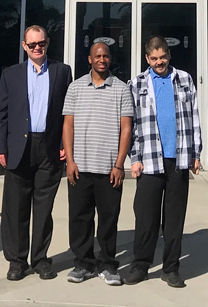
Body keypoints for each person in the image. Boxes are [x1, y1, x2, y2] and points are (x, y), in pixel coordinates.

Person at [0, 24, 72, 282]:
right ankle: (16, 261)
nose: (37, 48)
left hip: (48, 149)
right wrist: (0, 148)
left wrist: (65, 145)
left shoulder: (62, 72)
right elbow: (1, 115)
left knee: (43, 208)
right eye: (32, 45)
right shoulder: (11, 74)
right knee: (15, 209)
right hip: (19, 149)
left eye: (42, 43)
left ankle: (40, 259)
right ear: (24, 46)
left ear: (48, 43)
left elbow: (67, 114)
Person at [122, 35, 203, 288]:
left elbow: (195, 117)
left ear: (169, 55)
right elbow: (130, 124)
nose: (159, 62)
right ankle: (140, 266)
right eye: (154, 58)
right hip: (148, 161)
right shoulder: (136, 84)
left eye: (163, 57)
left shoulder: (185, 80)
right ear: (147, 58)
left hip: (178, 159)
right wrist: (133, 158)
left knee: (174, 219)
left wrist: (196, 154)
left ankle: (171, 268)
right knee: (146, 219)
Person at [61, 41, 134, 286]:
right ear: (90, 59)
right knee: (80, 219)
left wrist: (119, 164)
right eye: (97, 56)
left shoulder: (122, 89)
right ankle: (83, 264)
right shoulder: (75, 87)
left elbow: (126, 129)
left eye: (106, 56)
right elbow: (67, 125)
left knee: (108, 220)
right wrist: (70, 161)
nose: (102, 60)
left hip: (109, 169)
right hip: (80, 167)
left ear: (110, 59)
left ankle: (108, 265)